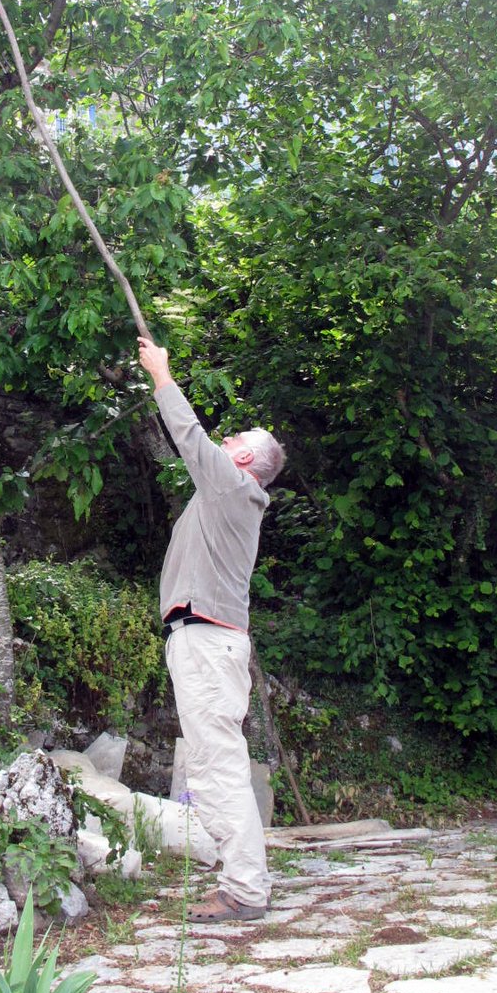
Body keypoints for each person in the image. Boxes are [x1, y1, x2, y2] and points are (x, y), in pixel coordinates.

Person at [137, 335, 286, 923]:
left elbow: (192, 439)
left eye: (236, 440)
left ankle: (245, 890)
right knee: (213, 764)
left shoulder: (233, 487)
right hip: (204, 641)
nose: (227, 441)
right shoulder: (225, 495)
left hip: (207, 642)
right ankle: (243, 879)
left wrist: (162, 375)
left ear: (246, 460)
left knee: (217, 766)